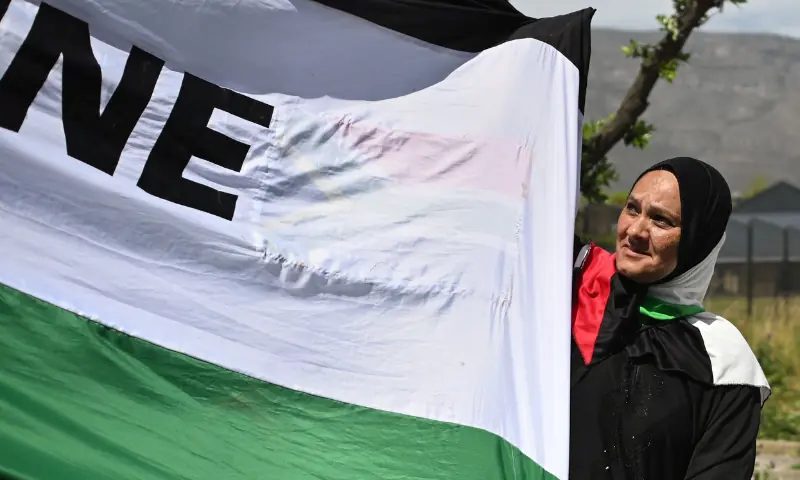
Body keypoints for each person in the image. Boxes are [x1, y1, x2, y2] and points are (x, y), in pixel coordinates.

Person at [570, 157, 770, 479]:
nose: (635, 230)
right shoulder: (571, 289)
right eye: (632, 209)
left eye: (661, 221)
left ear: (697, 239)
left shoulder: (722, 363)